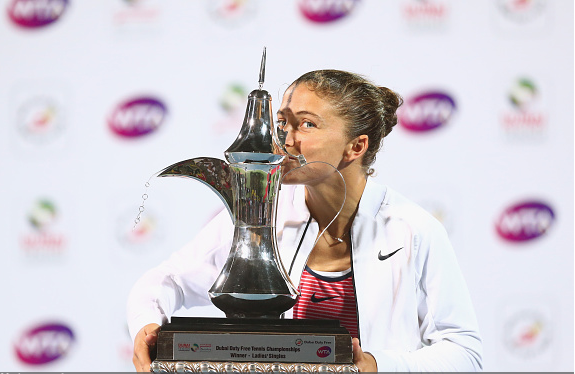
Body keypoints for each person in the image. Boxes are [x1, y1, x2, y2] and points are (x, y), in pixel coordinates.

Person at [127, 70, 483, 372]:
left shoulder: (413, 229)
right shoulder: (260, 211)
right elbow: (165, 280)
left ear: (355, 147)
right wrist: (147, 326)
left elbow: (465, 352)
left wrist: (377, 365)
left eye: (307, 125)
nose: (285, 140)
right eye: (282, 123)